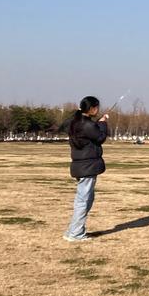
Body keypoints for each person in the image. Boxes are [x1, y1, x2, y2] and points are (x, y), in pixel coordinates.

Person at [63, 96, 109, 242]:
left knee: (86, 199)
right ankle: (75, 234)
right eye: (97, 108)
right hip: (87, 167)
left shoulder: (75, 123)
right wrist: (102, 124)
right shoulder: (87, 125)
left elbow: (89, 132)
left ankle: (74, 230)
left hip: (80, 166)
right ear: (93, 109)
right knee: (83, 200)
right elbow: (100, 137)